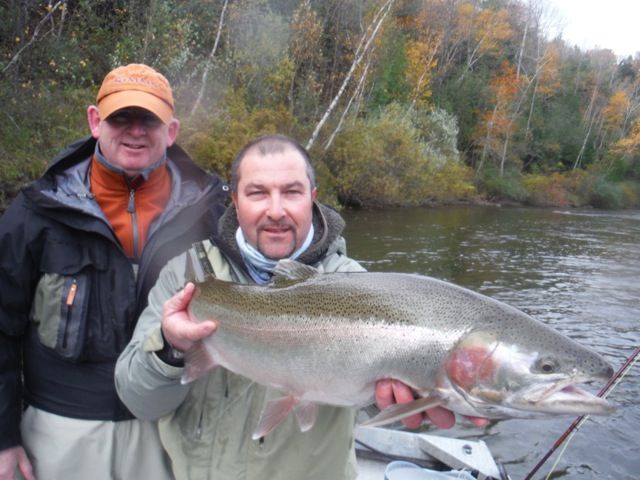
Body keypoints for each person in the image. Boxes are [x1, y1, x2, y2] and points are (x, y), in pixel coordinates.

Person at [115, 134, 486, 480]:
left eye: (291, 192)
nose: (276, 211)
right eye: (258, 193)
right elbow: (139, 401)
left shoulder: (357, 288)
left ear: (312, 195)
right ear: (235, 200)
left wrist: (398, 398)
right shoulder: (187, 277)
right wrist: (170, 347)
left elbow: (378, 403)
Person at [0, 63, 228, 480]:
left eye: (149, 119)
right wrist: (2, 437)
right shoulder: (35, 213)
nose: (135, 130)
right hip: (59, 431)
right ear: (94, 121)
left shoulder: (214, 211)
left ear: (172, 131)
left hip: (173, 427)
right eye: (122, 116)